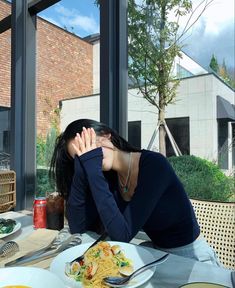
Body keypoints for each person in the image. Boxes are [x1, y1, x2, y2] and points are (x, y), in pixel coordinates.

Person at [50, 118, 221, 266]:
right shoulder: (108, 177)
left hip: (192, 257)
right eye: (80, 156)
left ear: (106, 135)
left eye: (90, 147)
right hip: (159, 255)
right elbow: (78, 228)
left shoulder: (155, 166)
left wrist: (93, 172)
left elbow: (122, 235)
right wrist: (81, 172)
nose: (88, 158)